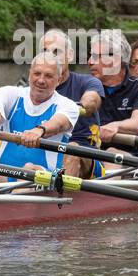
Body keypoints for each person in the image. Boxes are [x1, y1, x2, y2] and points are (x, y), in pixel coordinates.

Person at [0, 53, 79, 175]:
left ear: (58, 80)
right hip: (3, 176)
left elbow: (59, 123)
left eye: (48, 76)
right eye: (37, 73)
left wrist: (39, 131)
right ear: (29, 74)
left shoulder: (68, 105)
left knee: (28, 168)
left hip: (44, 177)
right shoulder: (10, 94)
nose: (41, 80)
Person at [41, 27, 103, 178]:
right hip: (45, 155)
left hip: (84, 157)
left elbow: (91, 101)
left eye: (56, 52)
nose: (51, 57)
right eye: (45, 52)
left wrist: (75, 108)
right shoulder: (34, 90)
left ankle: (62, 200)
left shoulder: (88, 82)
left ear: (69, 56)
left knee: (70, 148)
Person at [87, 29, 138, 155]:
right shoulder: (87, 86)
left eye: (96, 56)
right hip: (92, 155)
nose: (90, 61)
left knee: (112, 152)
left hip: (131, 159)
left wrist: (115, 126)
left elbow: (137, 124)